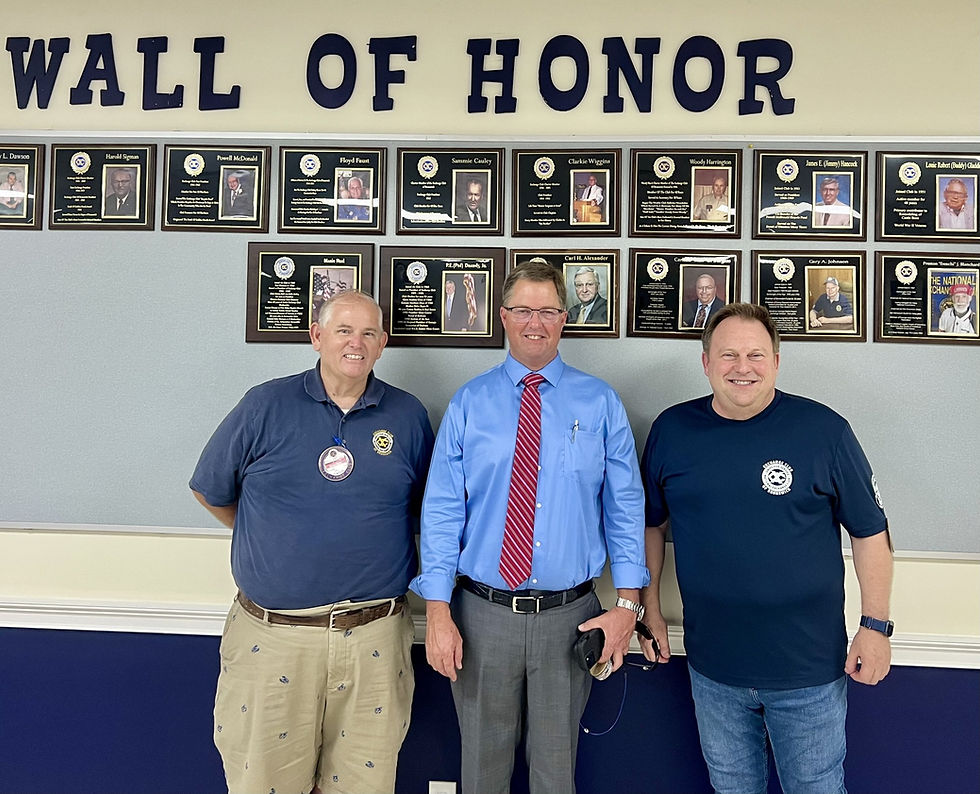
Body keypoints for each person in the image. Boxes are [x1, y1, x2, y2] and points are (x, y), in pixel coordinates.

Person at [412, 258, 649, 794]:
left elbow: (626, 509)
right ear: (502, 316)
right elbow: (443, 510)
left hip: (570, 618)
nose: (534, 322)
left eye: (547, 311)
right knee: (481, 773)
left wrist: (628, 607)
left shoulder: (600, 403)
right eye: (522, 310)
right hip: (480, 616)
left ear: (565, 318)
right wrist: (438, 611)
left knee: (554, 774)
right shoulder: (470, 403)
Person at [639, 302, 893, 794]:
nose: (742, 367)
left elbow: (870, 533)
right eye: (728, 354)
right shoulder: (672, 431)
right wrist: (648, 606)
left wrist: (876, 625)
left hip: (808, 670)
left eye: (756, 355)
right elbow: (651, 526)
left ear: (776, 361)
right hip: (714, 667)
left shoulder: (825, 432)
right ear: (706, 362)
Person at [190, 291, 434, 794]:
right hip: (274, 639)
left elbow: (425, 514)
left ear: (383, 344)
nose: (356, 342)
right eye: (343, 330)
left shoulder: (408, 416)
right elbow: (209, 488)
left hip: (375, 638)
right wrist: (269, 536)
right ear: (316, 336)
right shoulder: (265, 405)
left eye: (369, 333)